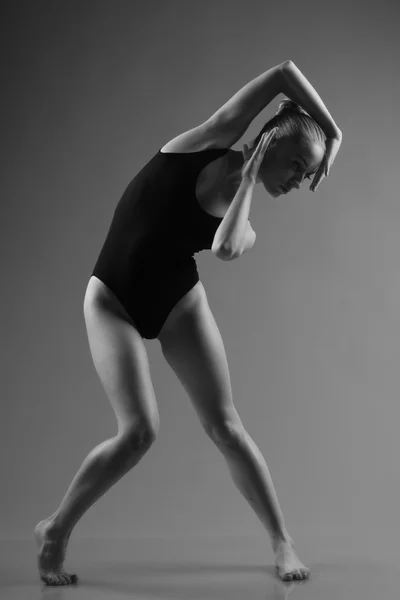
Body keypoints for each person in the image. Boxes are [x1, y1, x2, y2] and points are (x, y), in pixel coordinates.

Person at [34, 59, 342, 585]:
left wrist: (247, 182)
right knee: (138, 433)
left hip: (177, 300)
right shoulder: (207, 139)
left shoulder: (243, 223)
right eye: (299, 164)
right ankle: (56, 531)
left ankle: (281, 542)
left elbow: (224, 247)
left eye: (307, 173)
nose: (301, 180)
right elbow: (284, 72)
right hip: (111, 299)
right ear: (271, 142)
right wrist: (333, 133)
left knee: (225, 426)